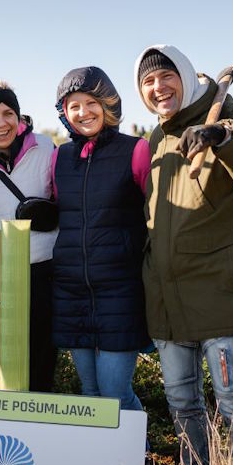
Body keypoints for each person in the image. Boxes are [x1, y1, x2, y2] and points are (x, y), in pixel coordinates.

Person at [134, 44, 233, 465]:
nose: (158, 88)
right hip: (169, 301)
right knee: (182, 407)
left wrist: (219, 135)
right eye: (149, 82)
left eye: (165, 77)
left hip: (220, 295)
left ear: (183, 76)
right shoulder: (157, 139)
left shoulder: (231, 113)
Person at [51, 66, 150, 413]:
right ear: (65, 112)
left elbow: (154, 215)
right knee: (90, 394)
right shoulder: (60, 157)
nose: (83, 112)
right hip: (72, 291)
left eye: (91, 102)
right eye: (73, 105)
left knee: (115, 394)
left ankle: (140, 459)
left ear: (107, 104)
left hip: (119, 291)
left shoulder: (136, 151)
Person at [0, 82, 58, 392]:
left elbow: (64, 199)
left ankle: (40, 434)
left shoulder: (45, 147)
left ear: (19, 117)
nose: (1, 123)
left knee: (43, 357)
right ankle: (2, 434)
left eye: (8, 113)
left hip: (41, 267)